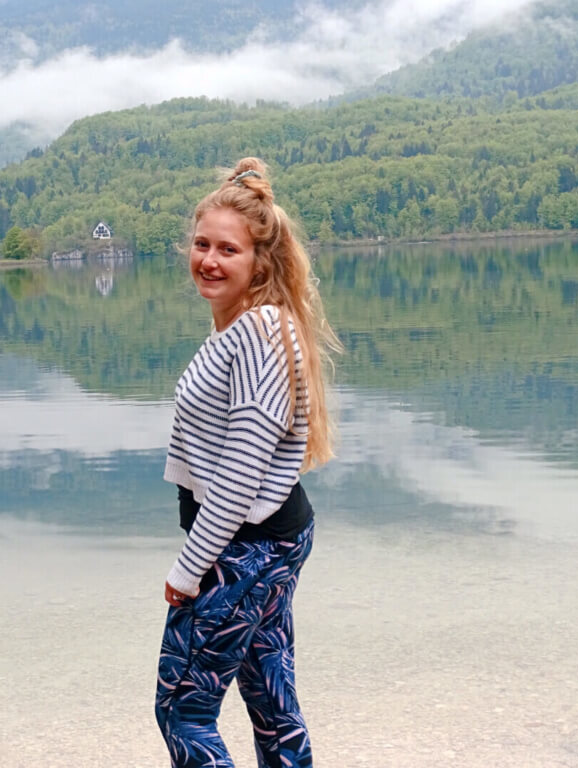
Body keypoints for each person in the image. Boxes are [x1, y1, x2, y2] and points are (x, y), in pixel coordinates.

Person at [155, 158, 342, 768]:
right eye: (201, 243)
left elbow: (238, 475)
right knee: (272, 703)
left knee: (183, 709)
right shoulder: (248, 326)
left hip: (243, 545)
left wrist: (188, 571)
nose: (208, 259)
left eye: (227, 249)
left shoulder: (260, 330)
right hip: (267, 540)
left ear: (260, 261)